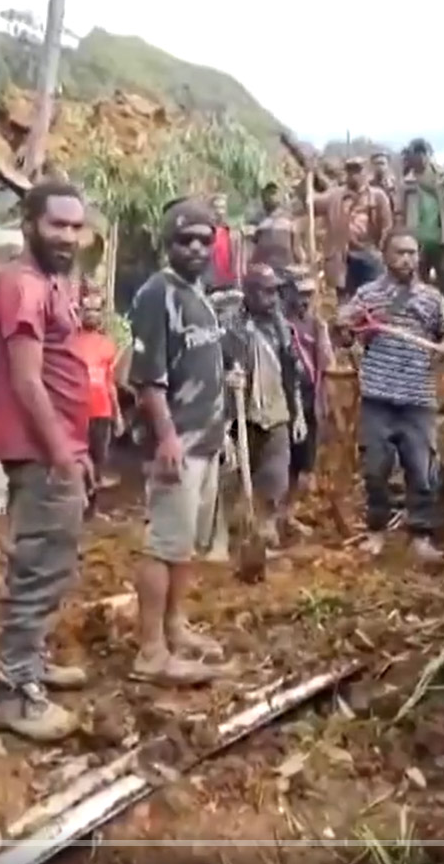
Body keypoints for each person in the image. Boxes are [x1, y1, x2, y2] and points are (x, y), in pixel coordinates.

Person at [0, 181, 91, 742]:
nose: (69, 237)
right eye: (57, 225)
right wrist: (61, 455)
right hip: (39, 452)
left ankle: (32, 658)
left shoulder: (48, 281)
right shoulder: (22, 286)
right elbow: (27, 382)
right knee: (40, 564)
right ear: (30, 223)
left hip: (54, 449)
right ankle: (12, 689)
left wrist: (74, 449)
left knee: (54, 560)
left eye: (76, 226)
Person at [128, 197, 229, 685]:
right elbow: (148, 378)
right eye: (184, 239)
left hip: (205, 440)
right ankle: (150, 651)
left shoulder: (199, 294)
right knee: (163, 544)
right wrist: (166, 437)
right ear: (167, 244)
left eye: (203, 240)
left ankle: (175, 626)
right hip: (178, 444)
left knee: (185, 545)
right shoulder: (156, 295)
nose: (194, 247)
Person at [338, 229, 444, 563]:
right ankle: (376, 532)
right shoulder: (368, 296)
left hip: (418, 397)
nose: (408, 259)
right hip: (378, 396)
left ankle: (421, 536)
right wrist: (344, 327)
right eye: (400, 252)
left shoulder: (432, 299)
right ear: (385, 256)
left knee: (422, 469)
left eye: (413, 253)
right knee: (375, 469)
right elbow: (348, 336)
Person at [221, 263, 306, 547]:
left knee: (275, 473)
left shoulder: (281, 328)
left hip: (274, 408)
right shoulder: (229, 327)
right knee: (231, 476)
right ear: (249, 292)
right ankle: (227, 529)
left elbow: (292, 371)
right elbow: (213, 369)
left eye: (276, 292)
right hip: (239, 412)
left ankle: (266, 525)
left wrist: (298, 413)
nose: (273, 299)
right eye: (267, 292)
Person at [281, 268, 334, 533]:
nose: (304, 300)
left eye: (309, 294)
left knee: (304, 470)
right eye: (299, 293)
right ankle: (271, 517)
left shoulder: (316, 325)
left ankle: (287, 513)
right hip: (281, 405)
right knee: (278, 464)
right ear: (286, 292)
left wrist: (325, 402)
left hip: (309, 403)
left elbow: (327, 366)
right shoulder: (275, 322)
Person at [399, 138, 444, 313]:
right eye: (416, 154)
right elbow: (400, 210)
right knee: (418, 276)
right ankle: (421, 311)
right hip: (417, 237)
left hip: (441, 234)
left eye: (423, 153)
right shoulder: (407, 182)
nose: (420, 158)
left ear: (428, 154)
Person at [315, 157, 393, 302]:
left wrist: (381, 252)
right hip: (342, 257)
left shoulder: (378, 196)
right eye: (350, 171)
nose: (354, 175)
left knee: (372, 299)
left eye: (358, 171)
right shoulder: (335, 195)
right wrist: (308, 176)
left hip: (369, 255)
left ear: (366, 173)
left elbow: (387, 227)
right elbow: (311, 203)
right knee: (345, 301)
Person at [75, 290, 123, 494]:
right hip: (76, 411)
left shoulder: (108, 345)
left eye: (96, 310)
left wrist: (118, 415)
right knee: (78, 460)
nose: (92, 314)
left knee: (99, 459)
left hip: (102, 411)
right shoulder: (70, 342)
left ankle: (91, 506)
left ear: (101, 314)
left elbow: (110, 383)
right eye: (88, 310)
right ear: (80, 312)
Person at [249, 181, 304, 274]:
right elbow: (298, 253)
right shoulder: (289, 224)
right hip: (284, 272)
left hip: (269, 273)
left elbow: (254, 256)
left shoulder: (262, 226)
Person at [205, 192, 245, 292]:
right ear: (210, 210)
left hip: (230, 285)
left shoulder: (233, 233)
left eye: (222, 207)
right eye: (216, 208)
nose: (219, 212)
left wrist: (239, 285)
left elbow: (239, 262)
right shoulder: (205, 233)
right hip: (210, 286)